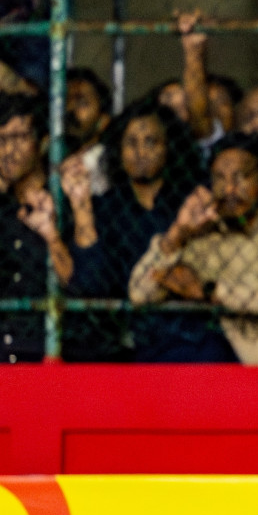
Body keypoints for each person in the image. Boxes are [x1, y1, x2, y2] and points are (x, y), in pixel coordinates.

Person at [128, 134, 258, 365]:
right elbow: (139, 293)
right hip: (222, 360)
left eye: (241, 177)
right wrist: (176, 234)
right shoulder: (207, 225)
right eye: (220, 179)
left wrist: (205, 291)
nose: (230, 189)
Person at [65, 99, 221, 361]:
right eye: (130, 143)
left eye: (151, 142)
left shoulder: (190, 200)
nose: (140, 152)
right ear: (118, 149)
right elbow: (93, 285)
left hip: (190, 334)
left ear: (169, 147)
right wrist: (82, 209)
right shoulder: (107, 208)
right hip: (129, 337)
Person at [0, 92, 73, 363]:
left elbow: (82, 284)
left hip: (45, 353)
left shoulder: (67, 204)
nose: (8, 150)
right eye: (1, 139)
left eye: (19, 138)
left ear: (43, 143)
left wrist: (53, 238)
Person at [65, 67, 112, 194]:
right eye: (66, 101)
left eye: (82, 103)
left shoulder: (108, 165)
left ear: (103, 120)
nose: (70, 108)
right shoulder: (49, 157)